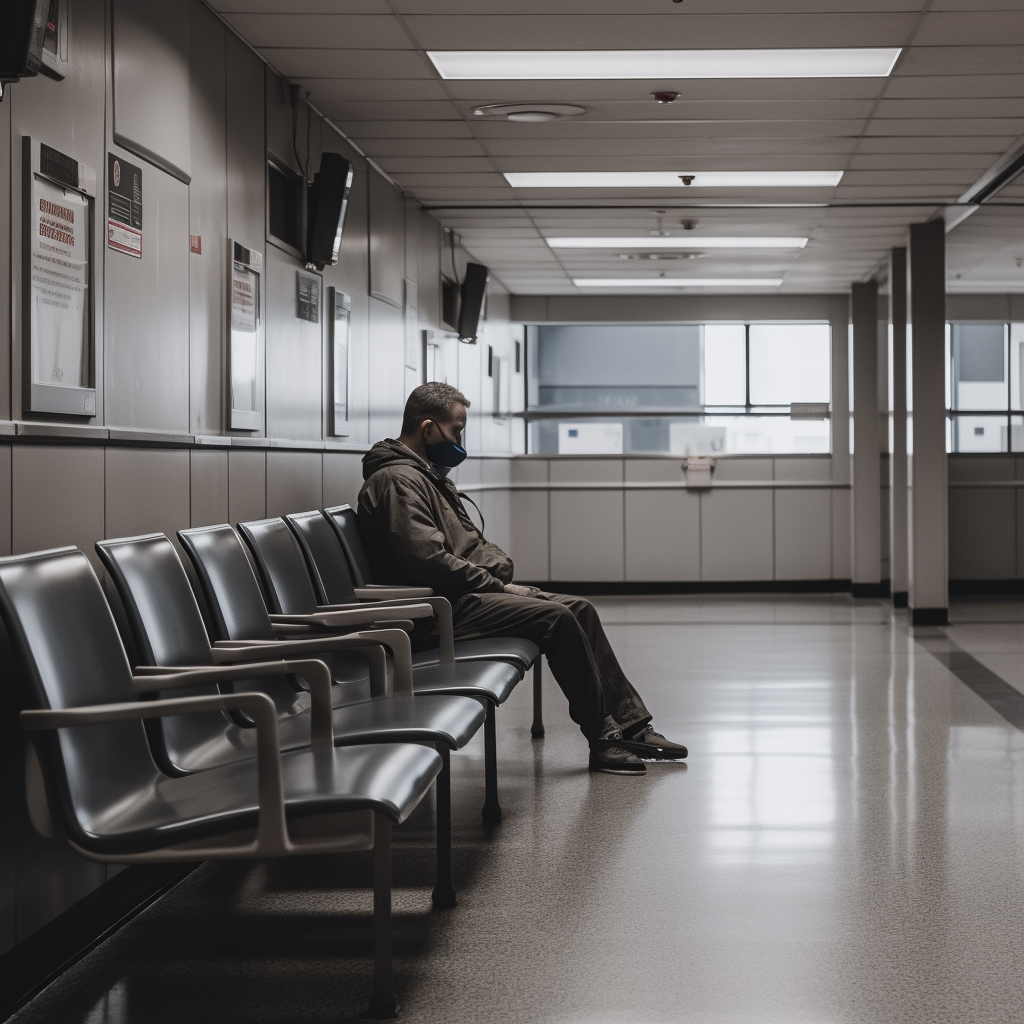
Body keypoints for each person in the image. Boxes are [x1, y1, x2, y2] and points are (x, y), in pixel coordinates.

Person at [357, 382, 688, 775]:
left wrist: (496, 569)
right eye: (455, 431)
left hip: (461, 596)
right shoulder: (398, 480)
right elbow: (429, 561)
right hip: (435, 610)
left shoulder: (424, 476)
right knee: (557, 618)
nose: (459, 441)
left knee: (578, 608)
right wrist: (499, 585)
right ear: (427, 428)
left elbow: (469, 544)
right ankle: (603, 738)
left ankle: (632, 723)